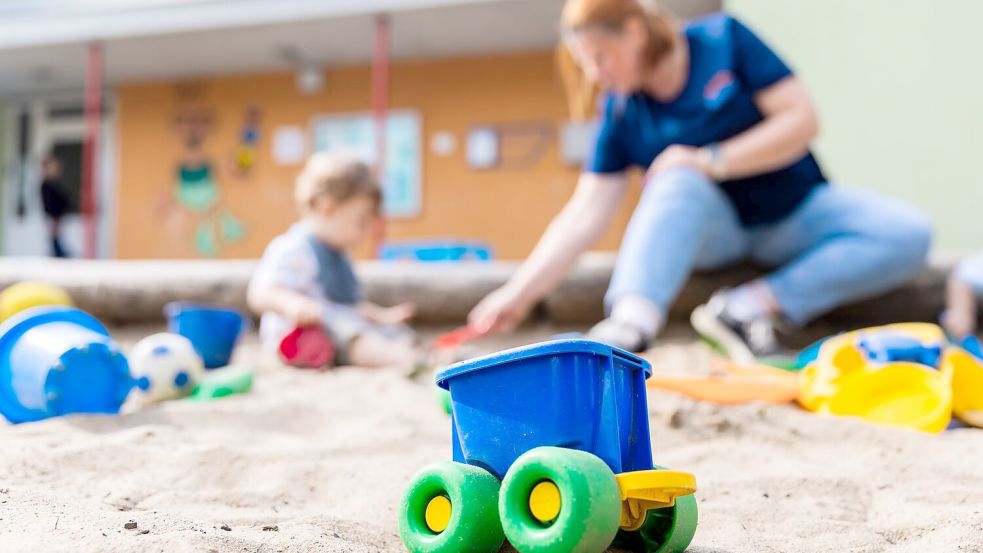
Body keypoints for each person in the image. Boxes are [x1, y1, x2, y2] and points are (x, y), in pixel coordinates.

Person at [469, 0, 933, 362]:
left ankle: (748, 306)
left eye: (600, 57)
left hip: (795, 210)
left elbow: (801, 120)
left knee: (908, 232)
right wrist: (518, 293)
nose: (596, 75)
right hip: (717, 236)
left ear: (633, 32)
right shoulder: (620, 109)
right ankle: (630, 325)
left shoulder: (724, 39)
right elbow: (585, 212)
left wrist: (710, 159)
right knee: (673, 179)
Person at [248, 152, 420, 369]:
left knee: (392, 331)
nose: (365, 231)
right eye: (360, 221)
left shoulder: (340, 255)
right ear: (327, 207)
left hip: (339, 326)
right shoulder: (295, 248)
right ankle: (398, 358)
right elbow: (260, 292)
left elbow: (348, 307)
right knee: (350, 334)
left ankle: (401, 350)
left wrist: (382, 317)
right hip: (299, 338)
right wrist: (292, 304)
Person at [40, 156, 70, 258]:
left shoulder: (55, 184)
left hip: (57, 216)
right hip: (53, 217)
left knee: (58, 239)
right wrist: (53, 218)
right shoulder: (46, 185)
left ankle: (60, 255)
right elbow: (49, 204)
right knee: (54, 240)